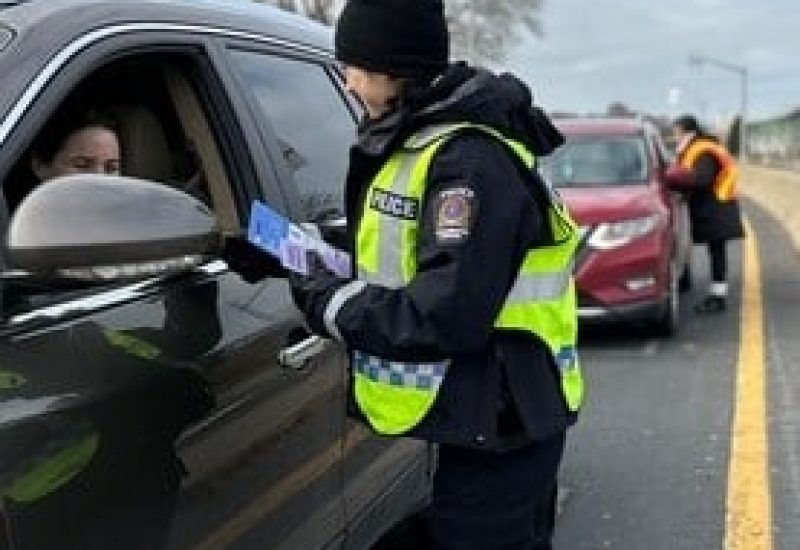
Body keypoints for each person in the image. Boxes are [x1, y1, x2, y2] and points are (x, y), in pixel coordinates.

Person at [672, 115, 744, 313]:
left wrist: (675, 180)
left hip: (715, 207)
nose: (675, 136)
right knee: (716, 251)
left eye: (676, 132)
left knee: (717, 251)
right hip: (715, 206)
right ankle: (717, 294)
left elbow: (702, 179)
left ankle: (718, 297)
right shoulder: (699, 147)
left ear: (686, 131)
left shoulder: (702, 150)